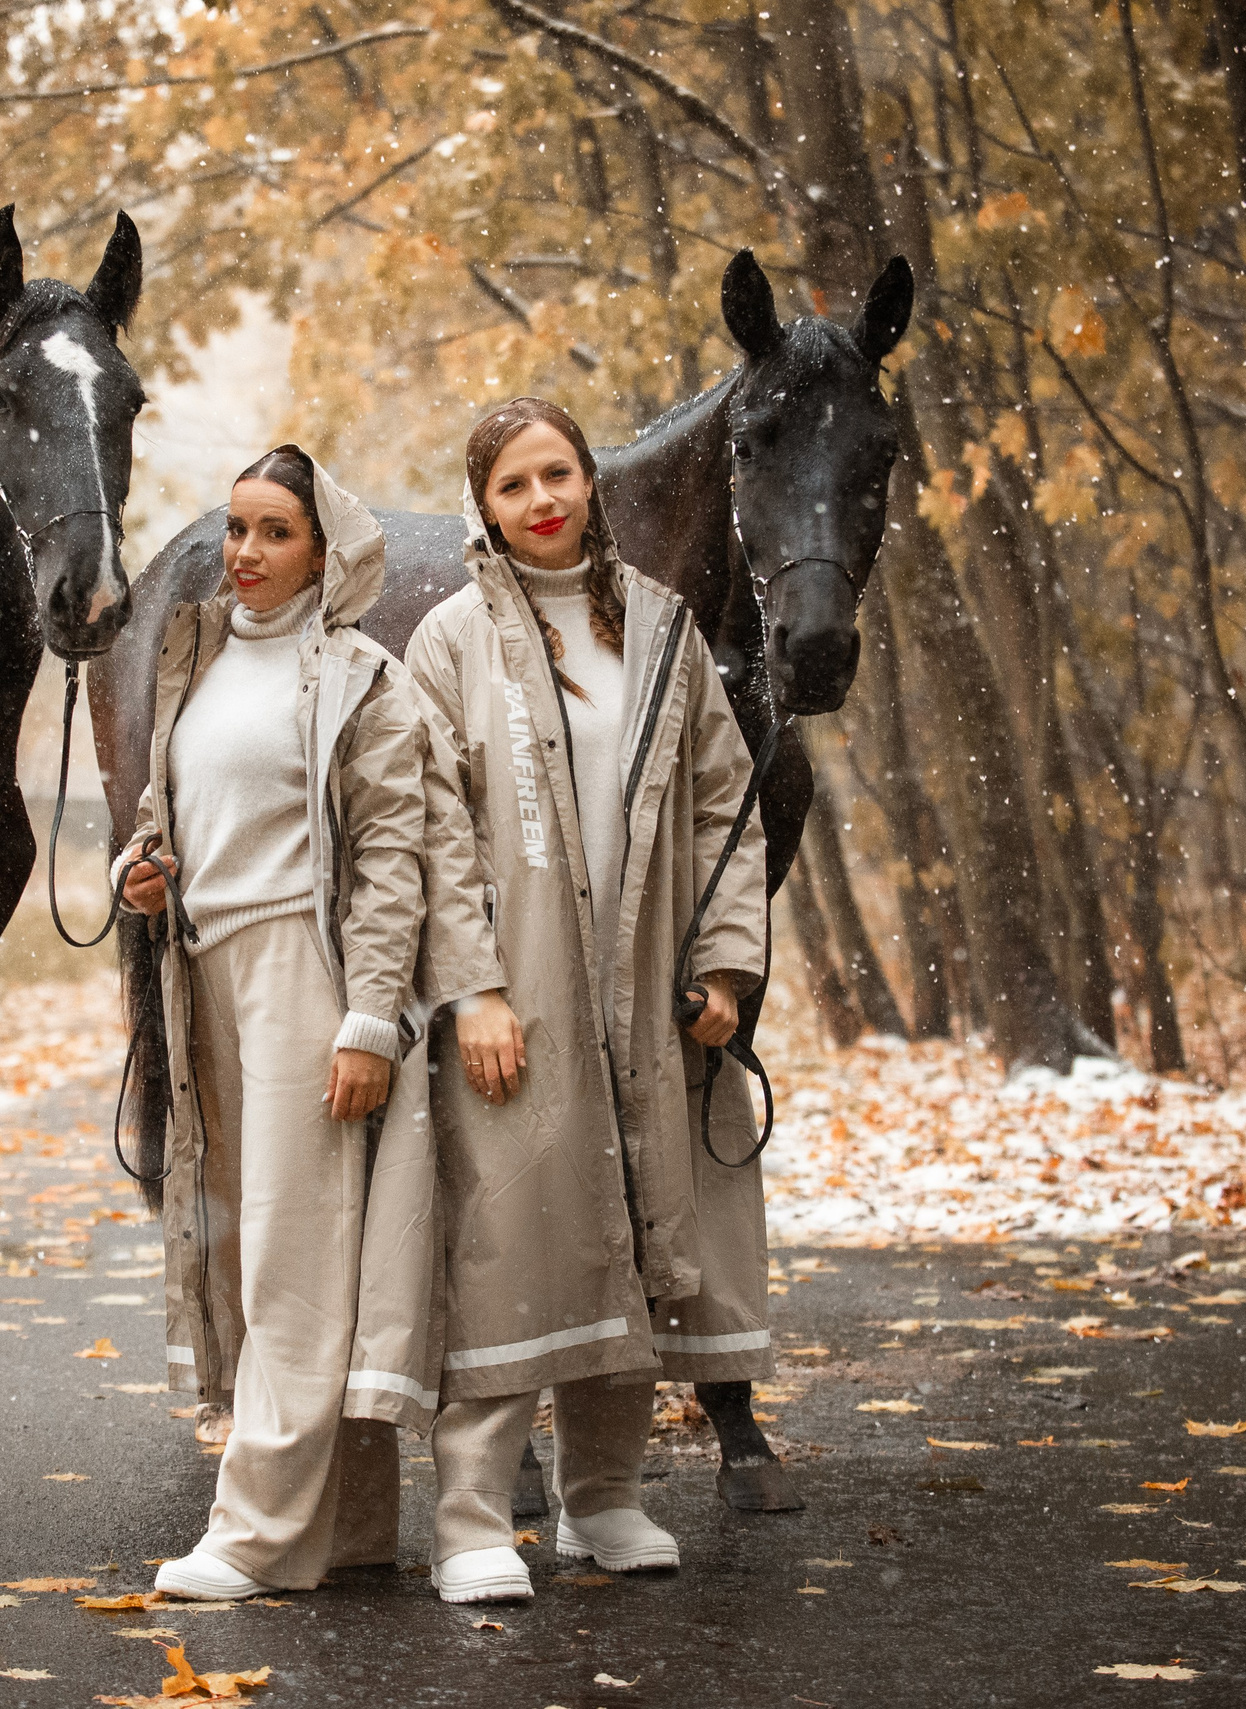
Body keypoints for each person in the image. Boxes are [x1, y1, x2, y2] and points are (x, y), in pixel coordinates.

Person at [404, 397, 771, 1603]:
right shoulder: (449, 643)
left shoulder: (665, 630)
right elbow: (432, 832)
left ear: (590, 481)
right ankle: (468, 1516)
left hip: (648, 977)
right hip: (521, 989)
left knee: (633, 1231)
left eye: (556, 472)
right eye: (512, 485)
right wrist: (473, 988)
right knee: (510, 1232)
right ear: (486, 506)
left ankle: (603, 1497)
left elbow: (724, 806)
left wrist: (721, 962)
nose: (541, 499)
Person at [117, 446, 500, 1598]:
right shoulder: (194, 661)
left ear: (326, 553)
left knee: (297, 1251)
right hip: (204, 971)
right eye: (236, 528)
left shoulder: (360, 677)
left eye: (275, 531)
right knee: (247, 1242)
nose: (245, 553)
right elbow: (170, 806)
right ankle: (345, 1525)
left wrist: (370, 1018)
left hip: (307, 973)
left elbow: (393, 861)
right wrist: (148, 864)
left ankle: (250, 1529)